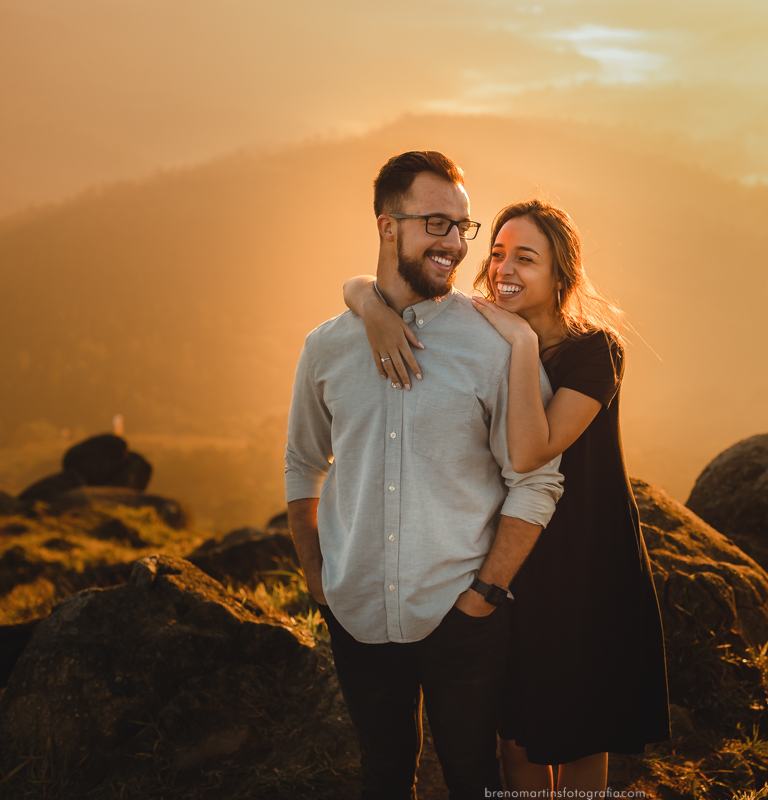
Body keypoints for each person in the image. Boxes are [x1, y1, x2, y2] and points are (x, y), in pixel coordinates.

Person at [343, 199, 670, 792]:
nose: (504, 270)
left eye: (526, 258)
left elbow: (529, 451)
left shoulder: (595, 352)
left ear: (561, 275)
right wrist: (368, 305)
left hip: (583, 565)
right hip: (507, 560)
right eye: (496, 255)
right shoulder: (479, 328)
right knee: (514, 738)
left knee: (578, 737)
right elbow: (366, 281)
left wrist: (520, 344)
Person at [285, 151, 564, 800]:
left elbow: (537, 479)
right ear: (388, 227)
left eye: (462, 227)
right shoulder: (326, 346)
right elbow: (304, 461)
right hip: (354, 611)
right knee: (383, 772)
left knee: (473, 777)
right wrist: (316, 576)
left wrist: (485, 594)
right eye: (436, 223)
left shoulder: (493, 344)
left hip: (461, 615)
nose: (455, 245)